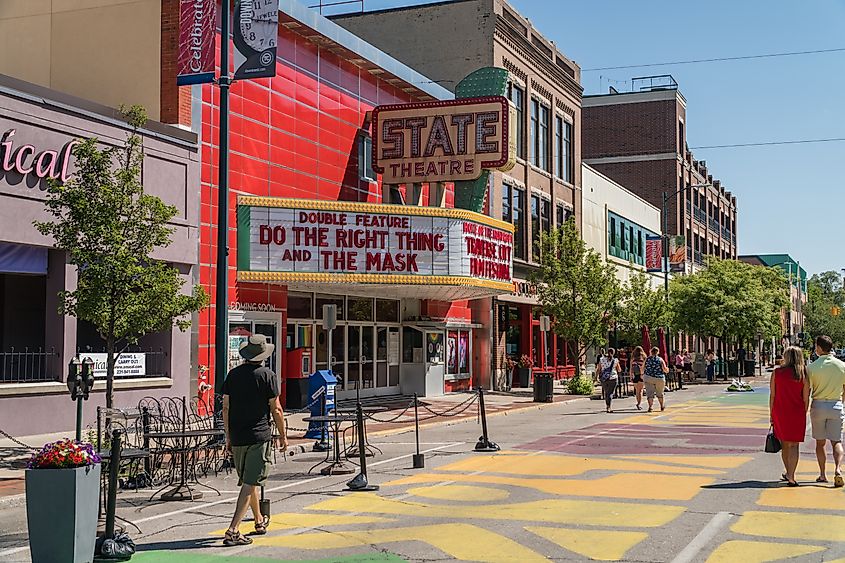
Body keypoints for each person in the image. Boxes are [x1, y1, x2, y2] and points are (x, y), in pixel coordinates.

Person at [222, 334, 288, 546]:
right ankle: (233, 530)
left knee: (249, 482)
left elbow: (225, 407)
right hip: (259, 435)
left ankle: (259, 520)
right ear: (263, 355)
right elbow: (276, 408)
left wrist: (228, 436)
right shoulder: (267, 375)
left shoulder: (232, 375)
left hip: (238, 435)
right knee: (251, 482)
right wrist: (283, 435)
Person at [807, 335, 845, 487]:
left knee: (820, 443)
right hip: (836, 404)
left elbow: (807, 389)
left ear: (819, 348)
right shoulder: (842, 366)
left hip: (818, 405)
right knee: (837, 441)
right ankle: (838, 469)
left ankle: (822, 474)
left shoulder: (812, 367)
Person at [769, 346, 810, 487]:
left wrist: (771, 414)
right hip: (797, 411)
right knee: (794, 445)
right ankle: (792, 476)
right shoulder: (803, 373)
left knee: (785, 444)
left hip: (780, 411)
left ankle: (788, 472)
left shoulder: (777, 372)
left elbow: (772, 395)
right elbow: (806, 398)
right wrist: (803, 412)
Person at [644, 346, 669, 412]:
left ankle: (650, 407)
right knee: (660, 393)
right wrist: (667, 370)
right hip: (659, 378)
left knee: (649, 393)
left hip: (648, 377)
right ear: (658, 352)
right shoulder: (660, 359)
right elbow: (664, 369)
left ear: (651, 352)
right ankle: (661, 406)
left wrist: (642, 374)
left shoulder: (647, 359)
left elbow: (643, 368)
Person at [599, 348, 622, 413]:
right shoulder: (615, 360)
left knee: (607, 393)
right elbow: (619, 369)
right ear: (613, 353)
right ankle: (609, 406)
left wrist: (596, 377)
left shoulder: (601, 359)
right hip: (613, 378)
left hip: (604, 378)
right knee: (610, 393)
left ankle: (607, 406)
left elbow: (599, 369)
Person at [630, 346, 646, 410]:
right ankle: (639, 403)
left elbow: (631, 368)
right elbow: (645, 367)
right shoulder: (644, 358)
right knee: (641, 390)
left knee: (637, 390)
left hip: (635, 375)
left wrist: (631, 376)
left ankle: (638, 402)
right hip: (641, 375)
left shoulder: (633, 358)